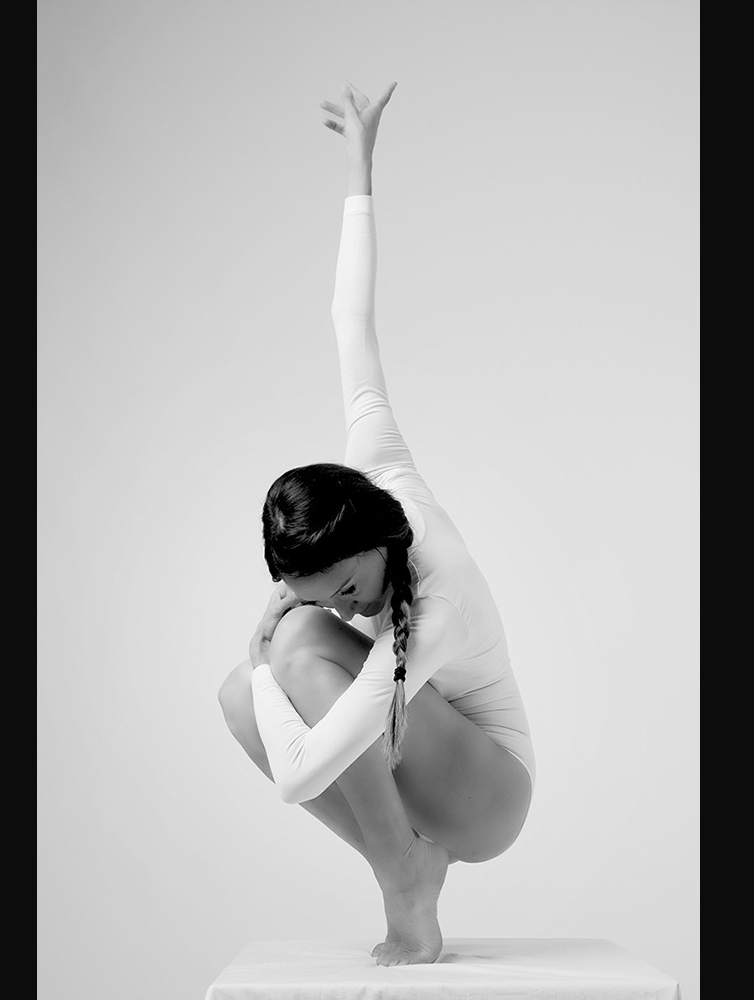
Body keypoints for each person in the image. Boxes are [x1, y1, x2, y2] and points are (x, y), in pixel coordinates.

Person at [218, 80, 534, 968]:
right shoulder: (372, 466)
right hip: (427, 757)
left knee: (286, 659)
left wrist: (272, 652)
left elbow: (299, 778)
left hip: (489, 793)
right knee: (237, 699)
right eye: (322, 595)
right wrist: (360, 170)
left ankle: (405, 881)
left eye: (349, 587)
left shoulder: (436, 606)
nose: (347, 609)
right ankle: (405, 865)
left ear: (370, 538)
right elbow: (348, 319)